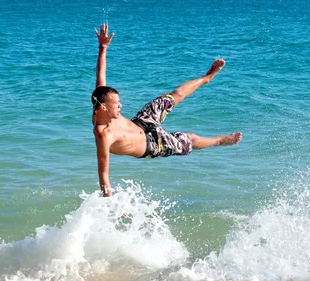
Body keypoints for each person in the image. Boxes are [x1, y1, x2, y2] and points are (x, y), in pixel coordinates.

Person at [91, 24, 242, 197]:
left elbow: (100, 76)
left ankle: (206, 78)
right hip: (152, 145)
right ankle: (220, 140)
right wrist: (111, 206)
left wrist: (103, 47)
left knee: (174, 95)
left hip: (141, 122)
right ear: (103, 107)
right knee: (189, 138)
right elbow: (104, 176)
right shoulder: (104, 135)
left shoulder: (100, 98)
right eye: (116, 104)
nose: (120, 106)